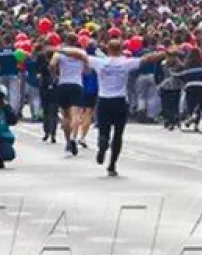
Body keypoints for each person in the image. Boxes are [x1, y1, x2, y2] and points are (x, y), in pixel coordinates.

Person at [60, 39, 166, 176]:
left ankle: (102, 144)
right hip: (120, 101)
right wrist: (164, 53)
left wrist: (61, 49)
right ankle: (112, 165)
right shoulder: (126, 63)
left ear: (108, 50)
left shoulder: (100, 62)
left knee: (104, 129)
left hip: (104, 100)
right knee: (118, 134)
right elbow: (147, 59)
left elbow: (80, 55)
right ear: (121, 49)